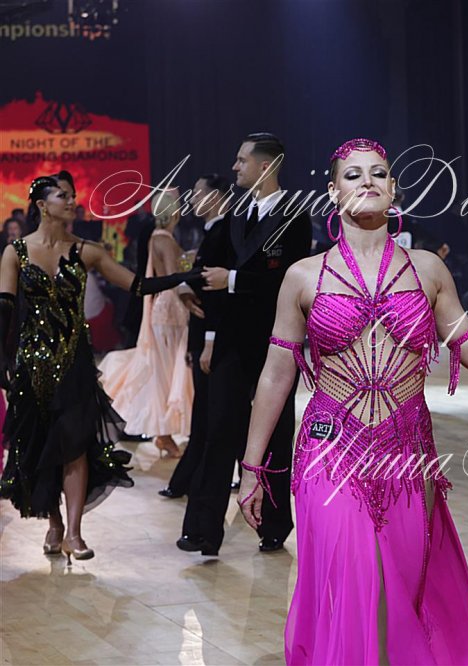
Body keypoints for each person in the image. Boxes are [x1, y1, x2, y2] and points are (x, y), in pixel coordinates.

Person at [236, 138, 468, 664]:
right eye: (353, 175)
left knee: (399, 595)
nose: (367, 181)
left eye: (378, 173)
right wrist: (252, 468)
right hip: (330, 450)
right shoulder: (303, 275)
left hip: (407, 455)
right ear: (333, 192)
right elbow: (275, 374)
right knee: (353, 584)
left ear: (394, 189)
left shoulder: (427, 269)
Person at [0, 176, 200, 561]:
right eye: (63, 196)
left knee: (75, 445)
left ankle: (74, 533)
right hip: (32, 366)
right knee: (40, 448)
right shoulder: (16, 252)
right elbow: (4, 310)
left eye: (72, 196)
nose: (72, 201)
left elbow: (137, 286)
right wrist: (1, 362)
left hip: (75, 365)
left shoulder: (87, 251)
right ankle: (55, 523)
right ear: (42, 205)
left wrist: (184, 277)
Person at [178, 133, 311, 556]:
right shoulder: (235, 214)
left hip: (276, 342)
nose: (234, 167)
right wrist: (188, 292)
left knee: (275, 433)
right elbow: (210, 270)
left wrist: (233, 280)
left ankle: (274, 524)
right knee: (217, 428)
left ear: (265, 166)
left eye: (241, 160)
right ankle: (202, 529)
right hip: (232, 341)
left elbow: (289, 280)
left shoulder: (295, 216)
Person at [98, 187, 193, 458]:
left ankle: (164, 434)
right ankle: (164, 434)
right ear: (174, 211)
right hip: (171, 309)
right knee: (167, 370)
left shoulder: (158, 237)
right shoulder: (164, 239)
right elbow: (173, 278)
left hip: (163, 308)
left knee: (163, 370)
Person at [159, 174, 230, 498]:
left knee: (212, 415)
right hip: (199, 334)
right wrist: (186, 292)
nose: (192, 199)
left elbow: (218, 294)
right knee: (205, 414)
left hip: (212, 338)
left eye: (198, 193)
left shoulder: (223, 232)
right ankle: (186, 481)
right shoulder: (212, 231)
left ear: (215, 196)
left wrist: (210, 342)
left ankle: (192, 482)